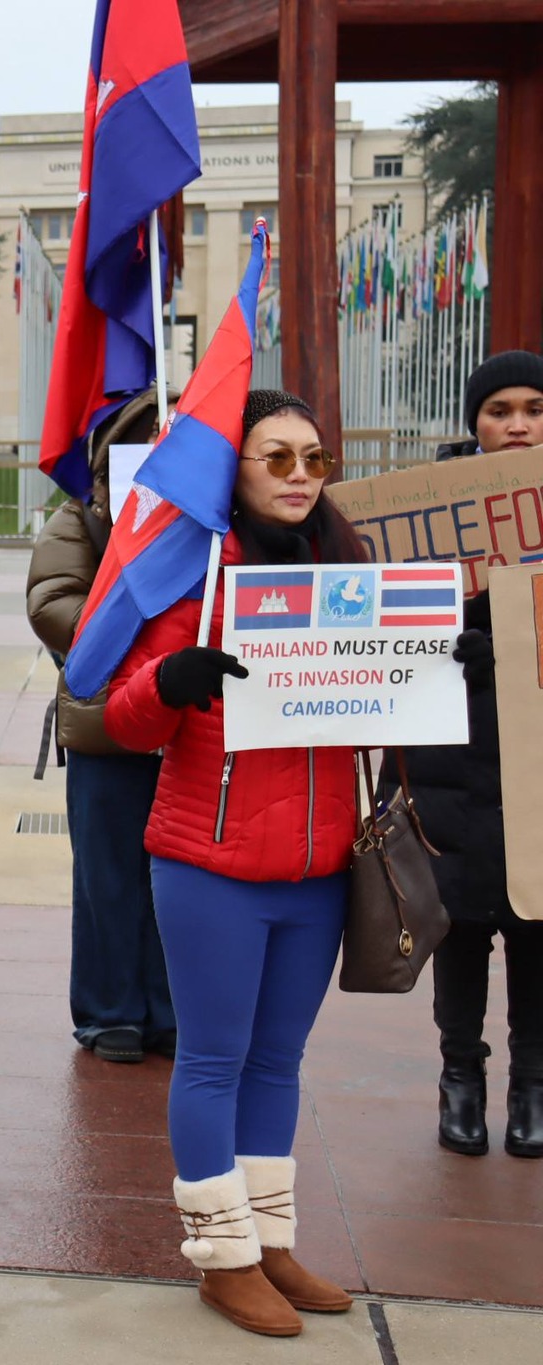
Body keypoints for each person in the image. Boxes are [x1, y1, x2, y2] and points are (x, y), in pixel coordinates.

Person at [104, 391, 363, 1338]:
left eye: (314, 458)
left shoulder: (351, 570)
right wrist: (170, 680)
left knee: (278, 1059)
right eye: (276, 456)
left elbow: (389, 707)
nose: (299, 475)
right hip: (209, 860)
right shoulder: (196, 573)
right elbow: (123, 718)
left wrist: (446, 665)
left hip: (319, 867)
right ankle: (223, 1256)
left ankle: (269, 1239)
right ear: (234, 469)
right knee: (213, 1058)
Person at [390, 350, 543, 1159]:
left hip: (536, 752)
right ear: (474, 423)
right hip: (452, 749)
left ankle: (534, 1084)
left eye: (535, 408)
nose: (517, 425)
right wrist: (452, 644)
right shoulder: (423, 514)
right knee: (461, 919)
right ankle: (461, 1077)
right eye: (499, 410)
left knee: (537, 919)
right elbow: (385, 624)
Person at [27, 390, 177, 1064]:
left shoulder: (209, 520)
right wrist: (142, 632)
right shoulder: (81, 521)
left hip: (187, 729)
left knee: (177, 878)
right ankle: (108, 1011)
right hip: (106, 728)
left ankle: (169, 1009)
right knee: (107, 875)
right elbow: (51, 602)